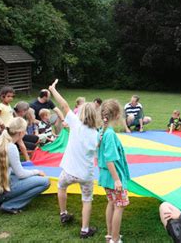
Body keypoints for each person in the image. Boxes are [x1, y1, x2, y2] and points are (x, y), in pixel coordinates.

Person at [48, 79, 99, 238]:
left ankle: (63, 213)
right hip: (85, 174)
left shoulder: (75, 123)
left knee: (61, 187)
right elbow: (97, 154)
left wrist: (53, 89)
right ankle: (84, 229)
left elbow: (63, 105)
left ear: (82, 113)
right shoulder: (96, 134)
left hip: (69, 171)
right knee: (86, 200)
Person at [0, 117, 50, 214]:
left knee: (21, 175)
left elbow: (9, 170)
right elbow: (21, 174)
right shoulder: (11, 147)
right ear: (21, 133)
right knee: (45, 181)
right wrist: (37, 172)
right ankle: (10, 205)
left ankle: (0, 200)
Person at [98, 99, 131, 243]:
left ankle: (110, 235)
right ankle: (115, 239)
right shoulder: (110, 134)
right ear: (117, 115)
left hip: (107, 176)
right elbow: (109, 159)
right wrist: (117, 180)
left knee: (112, 203)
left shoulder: (103, 131)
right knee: (119, 206)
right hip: (113, 177)